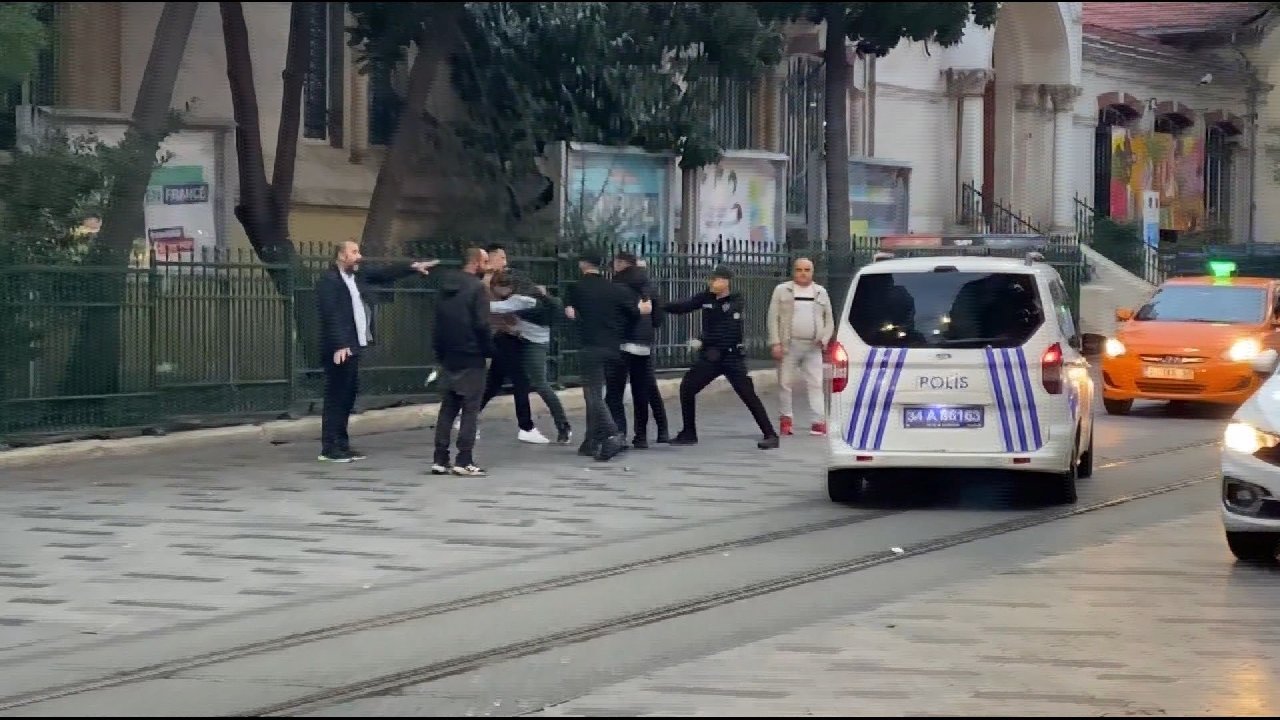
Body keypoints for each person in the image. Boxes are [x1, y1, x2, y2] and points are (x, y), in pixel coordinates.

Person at [315, 240, 436, 463]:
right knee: (336, 398)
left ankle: (342, 444)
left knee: (347, 397)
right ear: (341, 256)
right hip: (340, 348)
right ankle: (330, 448)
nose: (359, 256)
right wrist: (340, 344)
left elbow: (383, 274)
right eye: (353, 252)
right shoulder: (329, 281)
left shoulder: (356, 277)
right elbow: (330, 315)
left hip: (354, 345)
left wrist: (411, 267)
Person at [664, 265, 779, 450]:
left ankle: (770, 434)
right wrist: (659, 305)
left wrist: (702, 340)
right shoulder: (705, 297)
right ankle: (688, 432)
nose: (711, 283)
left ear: (726, 282)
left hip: (731, 356)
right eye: (711, 279)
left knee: (747, 394)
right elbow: (683, 306)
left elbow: (727, 330)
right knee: (688, 387)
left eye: (716, 279)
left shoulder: (735, 301)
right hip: (711, 357)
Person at [564, 252, 651, 462]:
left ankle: (613, 434)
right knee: (599, 394)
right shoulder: (614, 289)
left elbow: (570, 314)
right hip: (613, 348)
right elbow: (634, 312)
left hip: (590, 346)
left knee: (592, 395)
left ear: (582, 264)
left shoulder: (576, 288)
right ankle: (590, 440)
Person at [488, 269, 573, 444]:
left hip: (534, 343)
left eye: (496, 289)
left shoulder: (521, 299)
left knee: (540, 384)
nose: (495, 294)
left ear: (508, 287)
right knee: (504, 379)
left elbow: (495, 308)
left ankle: (563, 425)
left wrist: (468, 298)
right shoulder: (530, 293)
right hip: (524, 338)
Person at [431, 248, 494, 477]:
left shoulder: (445, 287)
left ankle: (440, 458)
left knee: (448, 408)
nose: (488, 266)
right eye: (485, 261)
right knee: (470, 409)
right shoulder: (477, 288)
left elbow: (437, 323)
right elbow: (482, 324)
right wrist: (489, 351)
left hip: (449, 355)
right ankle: (464, 459)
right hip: (472, 355)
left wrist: (439, 354)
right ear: (475, 262)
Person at [476, 243, 547, 444]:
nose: (505, 262)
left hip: (510, 334)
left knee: (494, 383)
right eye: (501, 258)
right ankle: (526, 426)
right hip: (501, 335)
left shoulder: (502, 280)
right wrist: (507, 325)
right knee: (520, 380)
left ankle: (467, 415)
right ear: (489, 259)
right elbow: (487, 309)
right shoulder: (486, 282)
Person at [605, 251, 670, 448]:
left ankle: (619, 433)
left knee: (615, 391)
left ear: (621, 263)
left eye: (615, 262)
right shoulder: (649, 285)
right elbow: (658, 318)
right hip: (644, 343)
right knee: (641, 390)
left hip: (622, 341)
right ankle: (641, 436)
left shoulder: (617, 284)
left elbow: (614, 313)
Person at [767, 257, 836, 436]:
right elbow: (772, 318)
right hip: (788, 345)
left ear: (812, 272)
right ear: (793, 271)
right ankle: (786, 420)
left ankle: (819, 421)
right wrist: (775, 342)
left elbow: (829, 320)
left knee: (816, 383)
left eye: (807, 270)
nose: (803, 273)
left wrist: (825, 339)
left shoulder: (820, 292)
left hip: (813, 346)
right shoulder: (782, 290)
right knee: (785, 383)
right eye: (799, 270)